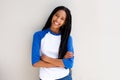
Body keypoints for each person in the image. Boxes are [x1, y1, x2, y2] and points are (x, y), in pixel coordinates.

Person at [31, 6, 74, 80]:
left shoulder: (68, 38)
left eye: (62, 19)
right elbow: (35, 63)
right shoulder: (38, 35)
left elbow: (69, 64)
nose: (57, 19)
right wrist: (61, 62)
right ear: (52, 15)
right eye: (56, 15)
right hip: (45, 78)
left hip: (64, 77)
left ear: (64, 23)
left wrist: (46, 59)